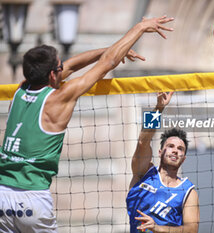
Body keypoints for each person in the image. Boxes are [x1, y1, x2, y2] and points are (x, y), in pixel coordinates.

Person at [0, 15, 174, 233]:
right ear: (53, 75)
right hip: (32, 198)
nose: (64, 67)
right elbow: (107, 64)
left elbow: (74, 66)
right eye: (59, 66)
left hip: (3, 194)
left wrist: (113, 49)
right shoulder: (58, 98)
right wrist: (140, 27)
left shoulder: (20, 89)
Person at [126, 92, 199, 233]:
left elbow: (192, 229)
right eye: (170, 146)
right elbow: (142, 142)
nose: (175, 151)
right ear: (160, 152)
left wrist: (157, 228)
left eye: (180, 149)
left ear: (183, 158)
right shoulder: (144, 173)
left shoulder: (188, 191)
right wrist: (159, 108)